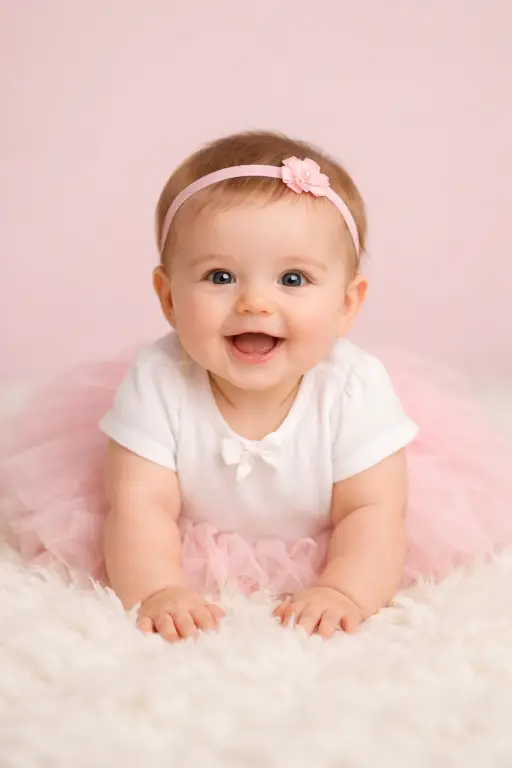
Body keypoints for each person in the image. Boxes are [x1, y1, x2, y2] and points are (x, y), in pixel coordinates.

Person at [2, 131, 512, 643]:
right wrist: (157, 590)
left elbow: (370, 511)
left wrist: (344, 591)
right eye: (220, 276)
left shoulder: (354, 389)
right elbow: (141, 504)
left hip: (328, 528)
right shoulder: (158, 380)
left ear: (347, 303)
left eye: (293, 279)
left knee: (383, 508)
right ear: (169, 297)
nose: (254, 303)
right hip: (187, 532)